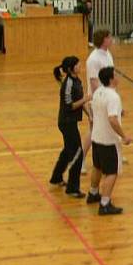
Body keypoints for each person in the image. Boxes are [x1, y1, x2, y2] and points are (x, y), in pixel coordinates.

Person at [88, 67, 131, 215]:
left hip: (96, 136)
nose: (118, 76)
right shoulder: (113, 96)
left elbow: (95, 109)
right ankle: (105, 203)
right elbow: (112, 119)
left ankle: (93, 193)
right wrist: (124, 136)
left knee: (97, 166)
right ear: (111, 79)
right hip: (109, 140)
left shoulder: (98, 92)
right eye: (116, 75)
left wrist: (120, 111)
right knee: (112, 172)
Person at [49, 56, 91, 198]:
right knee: (77, 154)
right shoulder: (68, 84)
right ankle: (73, 188)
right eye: (78, 65)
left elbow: (80, 101)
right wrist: (85, 99)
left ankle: (56, 177)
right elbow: (69, 106)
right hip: (66, 122)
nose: (80, 66)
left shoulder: (77, 81)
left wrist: (89, 114)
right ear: (70, 69)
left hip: (71, 121)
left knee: (68, 150)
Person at [83, 29, 116, 173]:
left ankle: (115, 154)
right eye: (109, 37)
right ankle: (81, 160)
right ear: (103, 39)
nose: (111, 39)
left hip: (108, 98)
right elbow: (94, 83)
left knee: (111, 127)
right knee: (93, 131)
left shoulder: (108, 54)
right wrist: (102, 103)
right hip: (97, 101)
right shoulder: (93, 59)